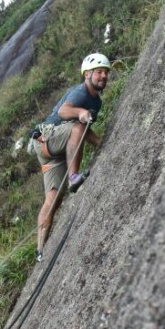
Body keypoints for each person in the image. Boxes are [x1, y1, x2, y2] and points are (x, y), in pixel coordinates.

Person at [32, 53, 110, 257]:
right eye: (99, 72)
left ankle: (40, 251)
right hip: (48, 140)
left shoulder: (97, 101)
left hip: (54, 152)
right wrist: (81, 112)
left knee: (52, 200)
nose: (103, 76)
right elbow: (64, 112)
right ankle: (73, 177)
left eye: (106, 72)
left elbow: (84, 132)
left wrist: (100, 142)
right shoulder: (80, 93)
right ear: (87, 74)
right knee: (78, 125)